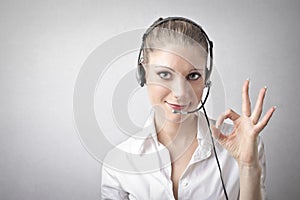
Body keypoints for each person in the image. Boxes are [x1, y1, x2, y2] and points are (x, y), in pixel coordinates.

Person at [101, 16, 276, 200]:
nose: (181, 93)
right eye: (164, 74)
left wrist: (248, 166)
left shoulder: (244, 145)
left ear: (206, 78)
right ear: (143, 73)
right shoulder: (118, 163)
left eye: (193, 76)